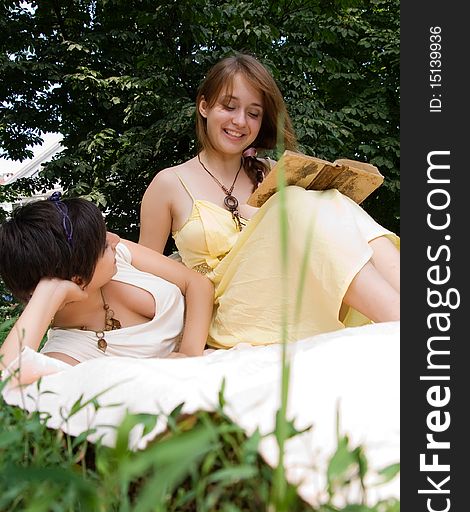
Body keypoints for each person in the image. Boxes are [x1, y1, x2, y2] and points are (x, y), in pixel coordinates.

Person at [138, 53, 400, 349]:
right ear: (204, 106)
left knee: (331, 198)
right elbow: (147, 275)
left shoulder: (270, 171)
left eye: (253, 113)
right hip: (227, 313)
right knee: (296, 202)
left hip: (285, 295)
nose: (240, 121)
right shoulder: (169, 184)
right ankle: (397, 317)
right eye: (229, 106)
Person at [0, 194, 214, 379]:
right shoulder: (67, 354)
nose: (115, 239)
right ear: (77, 279)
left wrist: (189, 355)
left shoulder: (117, 256)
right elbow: (7, 381)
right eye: (103, 244)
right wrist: (49, 293)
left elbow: (197, 283)